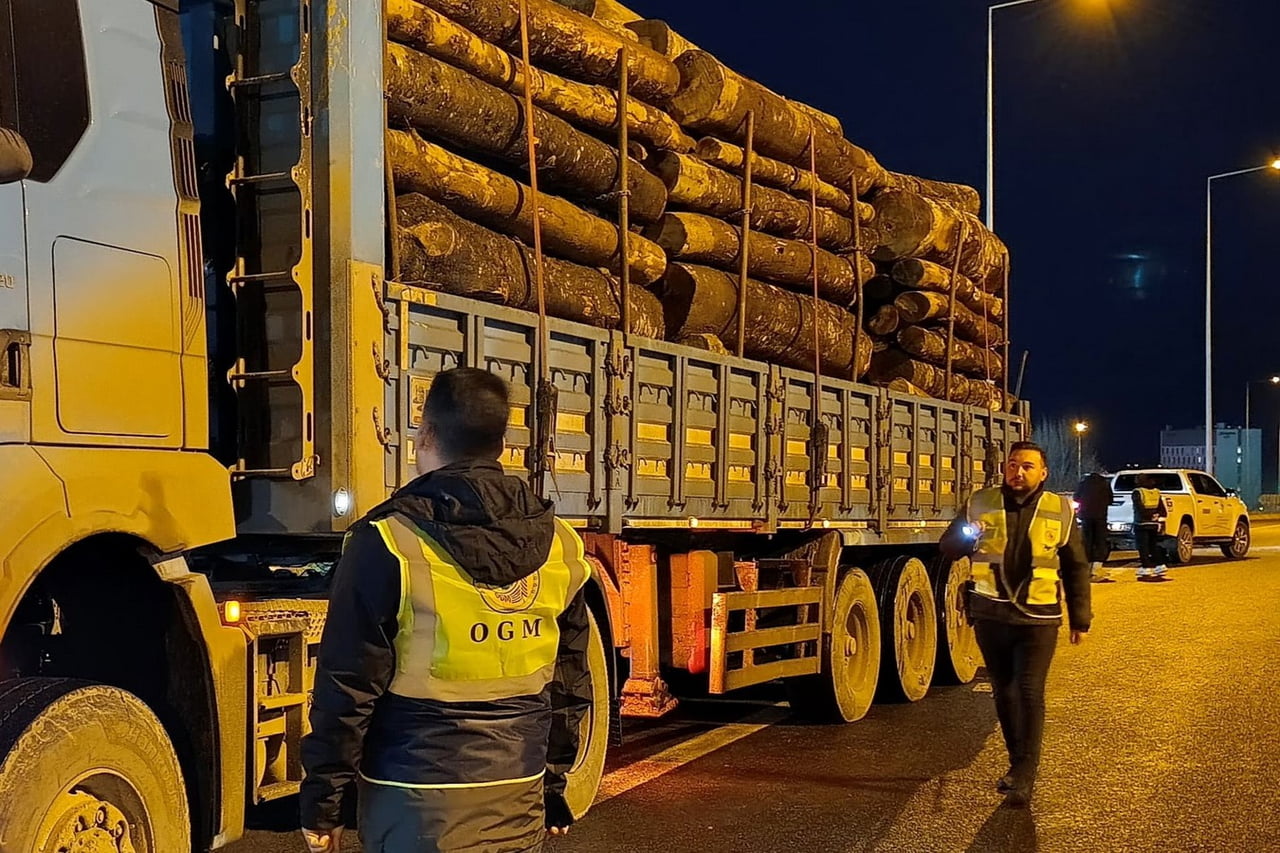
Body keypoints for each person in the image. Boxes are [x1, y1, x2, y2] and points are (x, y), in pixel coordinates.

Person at [299, 367, 594, 853]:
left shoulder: (388, 542)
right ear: (499, 443)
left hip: (414, 806)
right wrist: (552, 784)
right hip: (516, 799)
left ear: (425, 434)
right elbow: (569, 683)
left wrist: (323, 804)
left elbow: (347, 687)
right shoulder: (559, 543)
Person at [941, 441, 1092, 808]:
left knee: (1029, 691)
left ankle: (1026, 772)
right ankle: (1015, 762)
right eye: (1012, 465)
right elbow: (947, 547)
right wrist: (967, 535)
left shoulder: (1058, 509)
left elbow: (1075, 565)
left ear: (1043, 473)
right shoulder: (982, 501)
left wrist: (1080, 618)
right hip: (991, 614)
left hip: (1038, 617)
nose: (1017, 472)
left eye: (1027, 466)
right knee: (1004, 691)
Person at [1074, 471, 1115, 583]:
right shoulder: (1104, 484)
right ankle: (1096, 571)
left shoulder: (1083, 484)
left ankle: (1084, 571)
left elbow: (1076, 497)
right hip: (1100, 517)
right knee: (1100, 542)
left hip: (1086, 517)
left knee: (1086, 542)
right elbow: (1111, 500)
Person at [1132, 474, 1170, 582]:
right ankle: (1160, 565)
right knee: (1153, 545)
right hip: (1154, 524)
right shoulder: (1156, 492)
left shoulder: (1137, 492)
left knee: (1142, 547)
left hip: (1141, 524)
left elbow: (1139, 508)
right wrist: (1155, 516)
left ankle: (1146, 568)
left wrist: (1147, 516)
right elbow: (1163, 510)